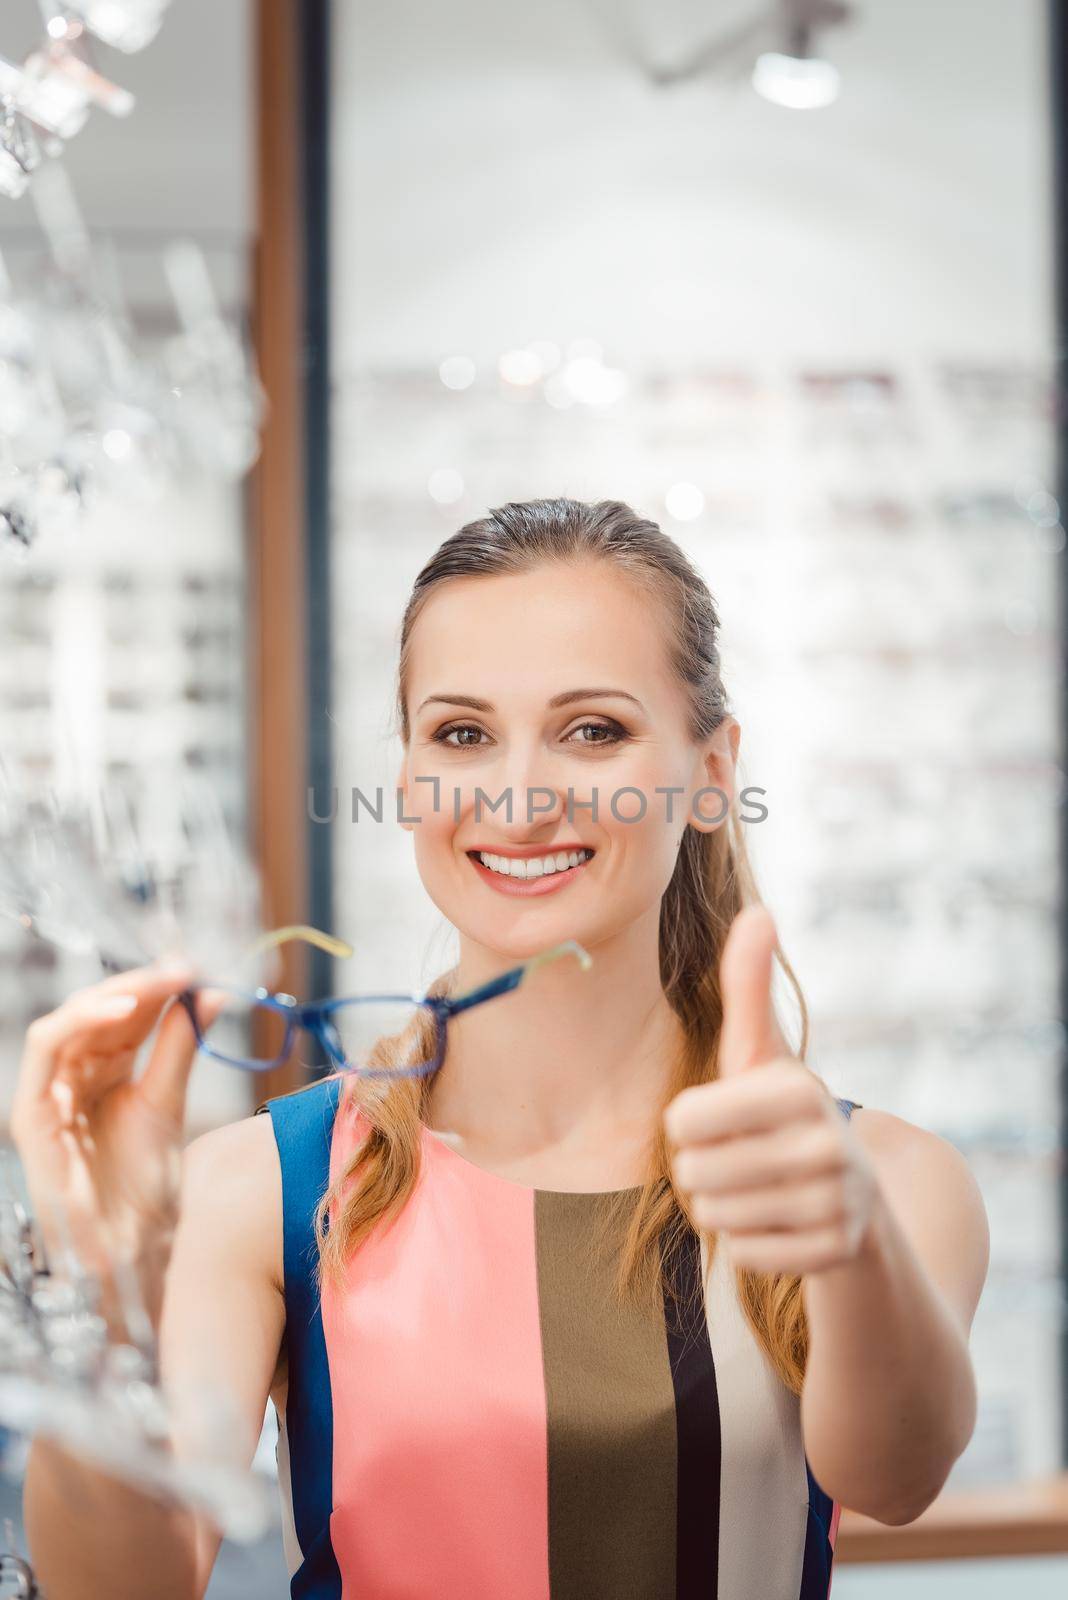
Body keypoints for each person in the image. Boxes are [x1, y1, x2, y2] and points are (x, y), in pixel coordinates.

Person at [13, 498, 989, 1600]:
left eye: (593, 730)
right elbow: (122, 1589)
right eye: (463, 734)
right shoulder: (261, 1186)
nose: (520, 799)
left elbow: (897, 1475)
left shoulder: (887, 1182)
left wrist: (848, 1243)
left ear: (713, 771)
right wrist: (104, 1295)